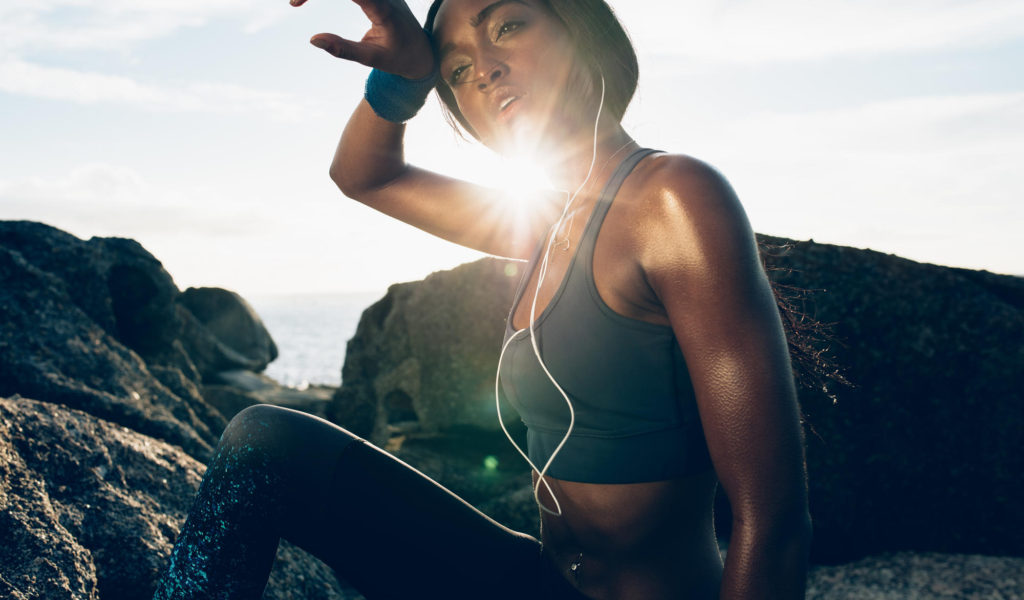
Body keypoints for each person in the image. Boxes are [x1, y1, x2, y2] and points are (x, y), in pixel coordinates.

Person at [152, 0, 812, 598]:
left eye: (508, 27)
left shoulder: (672, 199)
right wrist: (404, 80)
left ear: (580, 28)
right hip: (541, 583)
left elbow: (773, 517)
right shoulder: (539, 220)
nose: (486, 70)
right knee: (264, 442)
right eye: (459, 72)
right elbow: (363, 174)